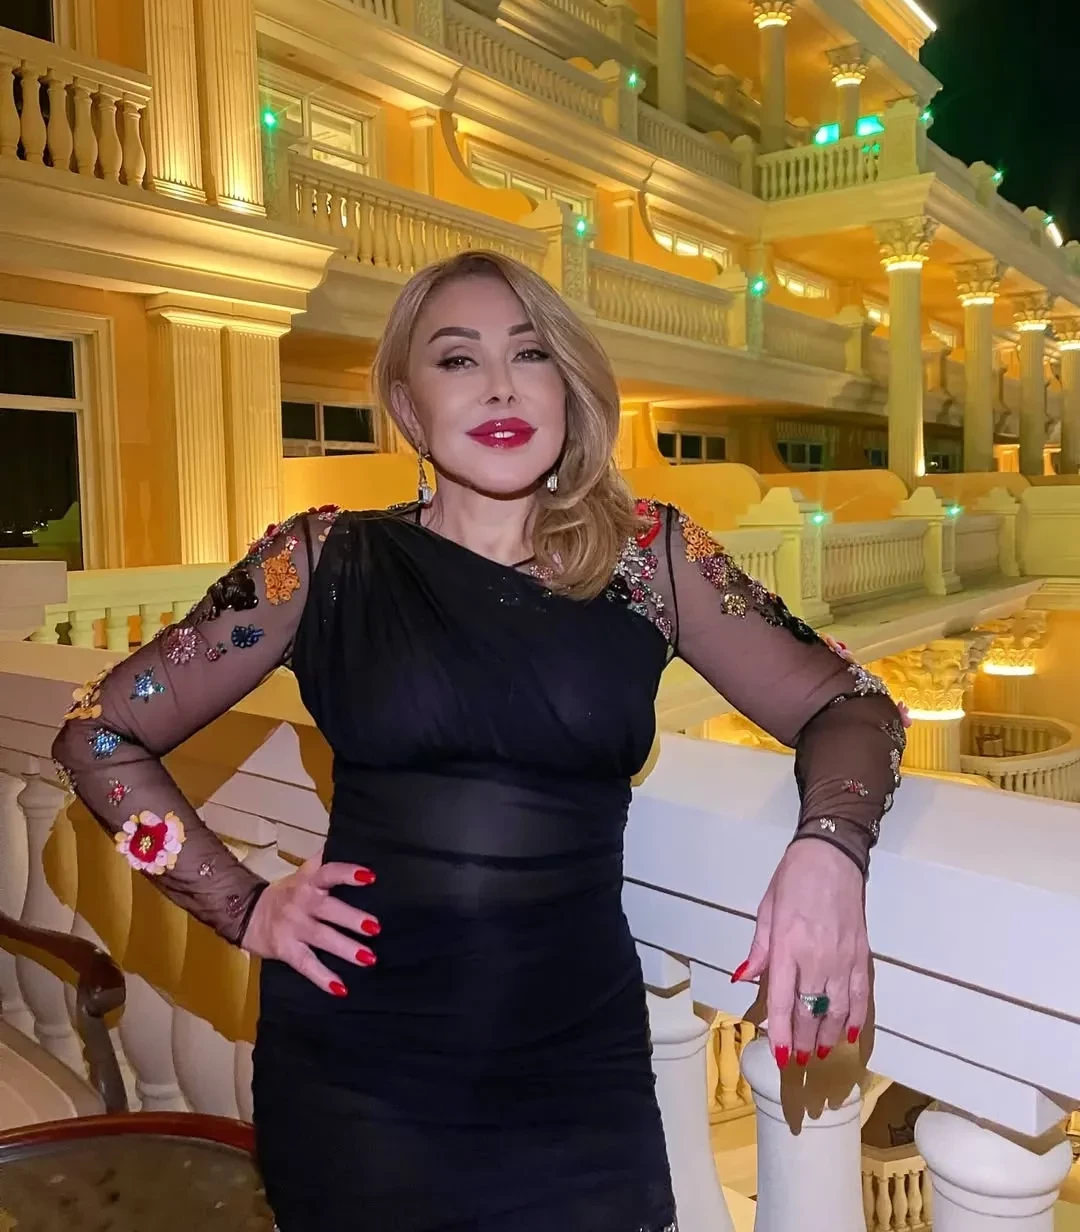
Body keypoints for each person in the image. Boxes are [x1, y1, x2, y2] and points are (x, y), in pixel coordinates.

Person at [53, 251, 906, 1231]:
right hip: (360, 1077)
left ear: (568, 386)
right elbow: (98, 735)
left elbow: (855, 708)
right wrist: (240, 905)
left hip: (575, 1075)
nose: (501, 385)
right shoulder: (324, 563)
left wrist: (827, 852)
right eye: (457, 359)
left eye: (530, 353)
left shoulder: (648, 559)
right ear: (408, 408)